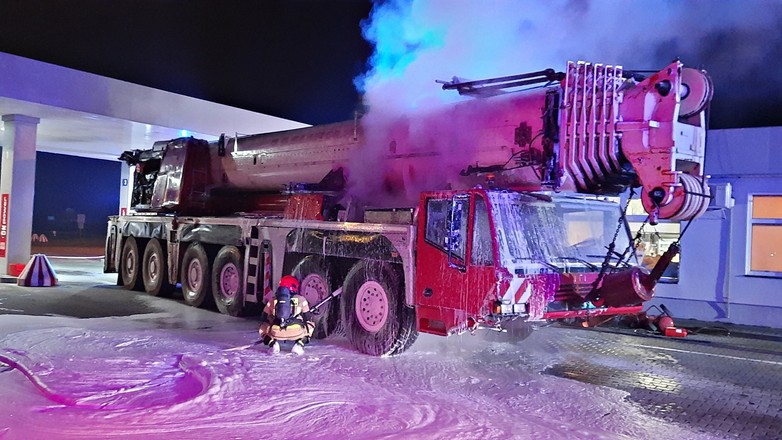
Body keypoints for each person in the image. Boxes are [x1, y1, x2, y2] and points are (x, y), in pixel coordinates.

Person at [258, 275, 315, 355]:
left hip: (276, 332)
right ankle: (299, 344)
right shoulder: (301, 299)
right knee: (311, 324)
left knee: (263, 326)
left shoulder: (273, 300)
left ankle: (272, 344)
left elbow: (264, 317)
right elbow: (308, 317)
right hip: (296, 332)